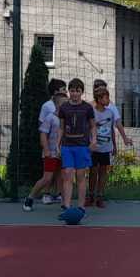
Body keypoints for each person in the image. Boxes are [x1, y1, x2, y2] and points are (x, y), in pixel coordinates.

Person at [52, 78, 96, 216]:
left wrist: (93, 140)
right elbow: (61, 127)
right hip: (67, 146)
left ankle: (81, 207)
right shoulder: (64, 107)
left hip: (82, 146)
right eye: (72, 91)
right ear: (69, 92)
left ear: (82, 92)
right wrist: (57, 144)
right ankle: (66, 206)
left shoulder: (87, 108)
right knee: (67, 174)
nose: (75, 93)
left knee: (81, 176)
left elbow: (93, 126)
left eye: (77, 91)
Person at [22, 78, 67, 210]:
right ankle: (30, 198)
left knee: (64, 177)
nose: (66, 107)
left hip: (63, 153)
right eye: (63, 105)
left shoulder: (67, 119)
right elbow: (43, 134)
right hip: (51, 153)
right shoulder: (50, 118)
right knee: (47, 178)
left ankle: (65, 204)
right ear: (57, 105)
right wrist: (46, 149)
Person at [88, 83, 131, 208]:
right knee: (93, 172)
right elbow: (88, 128)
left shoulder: (110, 112)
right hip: (94, 148)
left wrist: (114, 145)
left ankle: (100, 196)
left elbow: (112, 129)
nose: (109, 100)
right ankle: (90, 195)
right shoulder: (91, 112)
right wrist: (88, 144)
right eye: (106, 98)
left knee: (103, 172)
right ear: (99, 99)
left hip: (106, 148)